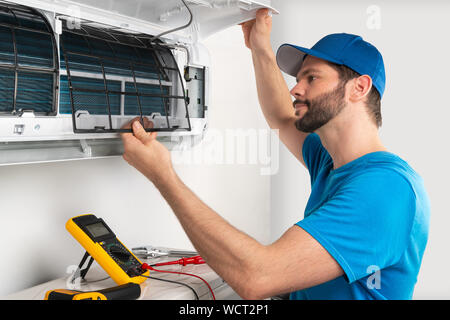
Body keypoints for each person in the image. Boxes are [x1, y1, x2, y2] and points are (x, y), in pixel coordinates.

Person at [121, 9, 430, 300]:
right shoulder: (332, 160)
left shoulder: (385, 190)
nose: (296, 89)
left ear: (359, 87)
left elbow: (257, 276)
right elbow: (283, 117)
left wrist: (163, 175)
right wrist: (259, 46)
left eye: (312, 78)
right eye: (298, 80)